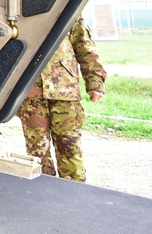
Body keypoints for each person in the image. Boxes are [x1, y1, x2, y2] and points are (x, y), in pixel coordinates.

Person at [17, 15, 106, 181]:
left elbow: (84, 47)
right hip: (30, 92)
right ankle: (43, 193)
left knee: (69, 147)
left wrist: (95, 82)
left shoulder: (67, 5)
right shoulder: (18, 8)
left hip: (65, 92)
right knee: (37, 152)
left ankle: (73, 193)